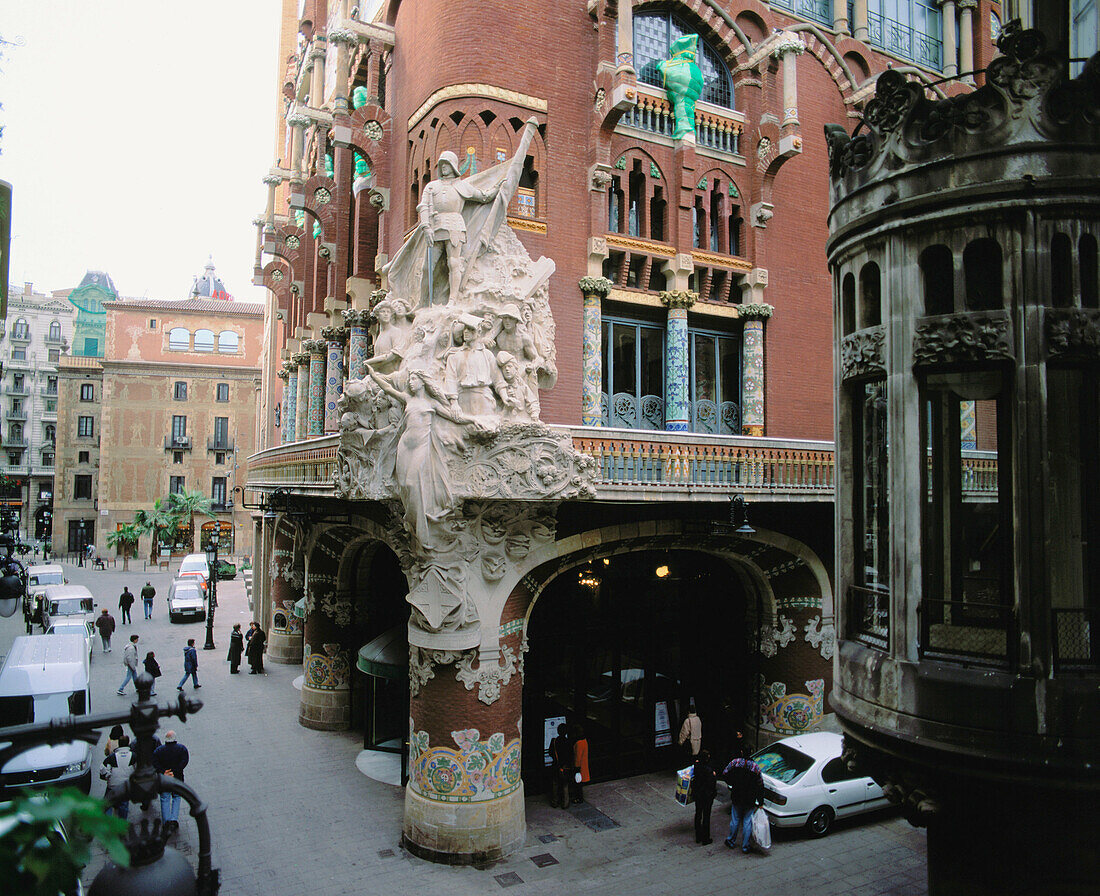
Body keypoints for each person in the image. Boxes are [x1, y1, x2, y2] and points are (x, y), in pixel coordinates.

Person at [723, 749, 765, 853]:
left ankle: (731, 840)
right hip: (750, 798)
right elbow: (760, 785)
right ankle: (745, 846)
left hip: (737, 796)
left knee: (735, 819)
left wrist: (732, 783)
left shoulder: (735, 763)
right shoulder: (755, 767)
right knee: (747, 821)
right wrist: (760, 802)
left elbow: (725, 773)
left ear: (741, 752)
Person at [153, 730, 189, 833]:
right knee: (176, 797)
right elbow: (184, 761)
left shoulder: (159, 751)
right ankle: (174, 820)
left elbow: (154, 762)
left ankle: (166, 821)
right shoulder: (182, 749)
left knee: (165, 798)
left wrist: (164, 771)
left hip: (164, 779)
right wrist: (175, 770)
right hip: (177, 778)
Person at [100, 734, 134, 820]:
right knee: (124, 806)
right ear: (128, 743)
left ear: (119, 743)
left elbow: (103, 770)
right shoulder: (133, 756)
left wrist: (106, 778)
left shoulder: (112, 757)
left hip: (112, 786)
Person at [692, 749, 719, 845]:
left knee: (698, 813)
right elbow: (712, 783)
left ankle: (698, 836)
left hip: (698, 794)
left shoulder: (697, 767)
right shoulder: (709, 771)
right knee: (706, 816)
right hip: (707, 795)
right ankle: (705, 838)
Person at [548, 723, 571, 809]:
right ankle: (565, 803)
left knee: (555, 784)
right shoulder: (568, 742)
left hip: (556, 765)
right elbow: (570, 755)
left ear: (558, 731)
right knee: (565, 785)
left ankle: (555, 802)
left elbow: (550, 753)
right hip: (564, 766)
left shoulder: (554, 741)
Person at [570, 724, 590, 804]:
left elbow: (578, 756)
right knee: (579, 783)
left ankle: (578, 798)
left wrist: (576, 767)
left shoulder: (579, 743)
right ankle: (579, 797)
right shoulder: (584, 741)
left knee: (578, 783)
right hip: (583, 765)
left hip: (579, 766)